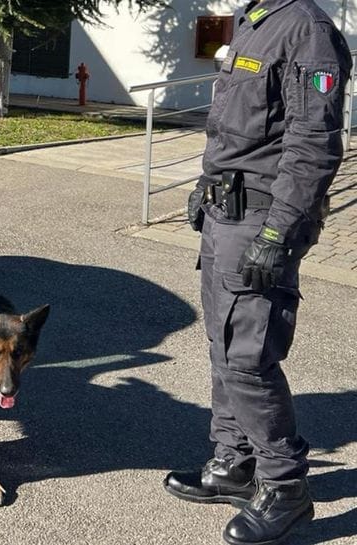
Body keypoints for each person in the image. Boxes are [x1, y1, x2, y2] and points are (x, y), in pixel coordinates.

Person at [164, 1, 350, 544]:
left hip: (263, 218)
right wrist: (207, 185)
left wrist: (279, 233)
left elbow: (314, 143)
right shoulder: (254, 22)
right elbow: (242, 131)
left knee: (248, 357)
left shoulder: (307, 30)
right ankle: (234, 463)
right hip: (226, 212)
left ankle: (286, 488)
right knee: (221, 344)